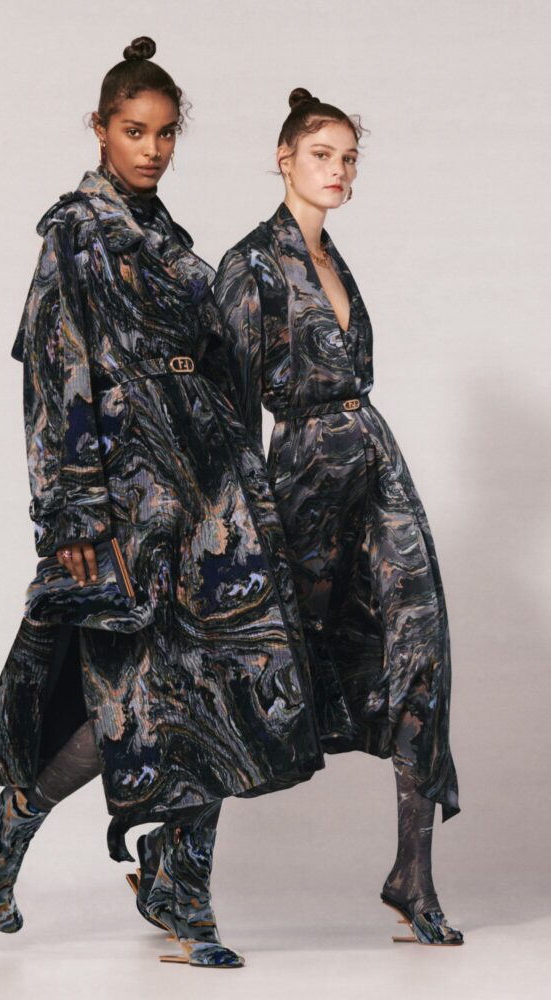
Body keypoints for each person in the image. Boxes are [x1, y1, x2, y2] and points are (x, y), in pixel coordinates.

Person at [0, 46, 324, 969]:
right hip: (129, 500)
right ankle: (9, 823)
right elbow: (55, 373)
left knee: (217, 685)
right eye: (134, 131)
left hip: (210, 490)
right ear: (100, 129)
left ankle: (176, 885)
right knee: (127, 697)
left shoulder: (168, 236)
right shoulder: (76, 232)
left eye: (164, 135)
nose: (152, 149)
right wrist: (73, 513)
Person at [214, 88, 463, 946]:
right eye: (322, 154)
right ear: (283, 158)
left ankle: (411, 875)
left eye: (349, 157)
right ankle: (163, 865)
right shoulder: (250, 264)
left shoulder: (332, 258)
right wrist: (232, 523)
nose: (339, 170)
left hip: (374, 464)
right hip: (303, 479)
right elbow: (227, 412)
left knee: (420, 649)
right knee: (247, 663)